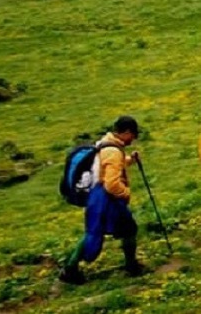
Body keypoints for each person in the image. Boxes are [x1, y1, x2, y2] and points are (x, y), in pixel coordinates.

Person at [60, 116, 146, 284]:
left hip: (99, 198)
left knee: (98, 231)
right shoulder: (113, 151)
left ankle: (70, 268)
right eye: (133, 135)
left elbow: (106, 166)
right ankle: (131, 266)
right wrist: (126, 193)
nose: (133, 139)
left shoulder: (107, 143)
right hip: (107, 199)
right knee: (119, 230)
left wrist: (130, 160)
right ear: (126, 132)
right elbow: (112, 184)